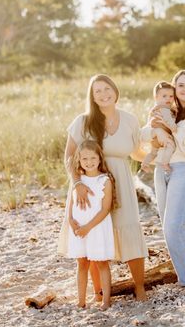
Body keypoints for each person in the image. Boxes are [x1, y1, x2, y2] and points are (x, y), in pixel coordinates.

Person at [58, 74, 149, 301]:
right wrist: (77, 183)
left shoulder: (129, 120)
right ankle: (99, 293)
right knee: (92, 234)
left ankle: (140, 288)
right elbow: (69, 156)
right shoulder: (83, 121)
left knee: (128, 229)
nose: (103, 94)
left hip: (121, 183)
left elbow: (136, 152)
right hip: (87, 186)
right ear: (92, 96)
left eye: (107, 88)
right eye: (97, 91)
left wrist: (155, 156)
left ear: (115, 91)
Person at [141, 70, 185, 294]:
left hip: (184, 168)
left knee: (174, 225)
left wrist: (174, 129)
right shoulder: (166, 108)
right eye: (180, 85)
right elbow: (144, 137)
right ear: (173, 88)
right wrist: (154, 127)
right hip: (161, 171)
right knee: (167, 227)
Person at [67, 140, 116, 309]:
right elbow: (71, 203)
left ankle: (106, 300)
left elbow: (105, 209)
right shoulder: (78, 181)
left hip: (97, 228)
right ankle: (81, 301)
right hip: (79, 228)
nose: (89, 162)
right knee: (82, 264)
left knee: (102, 263)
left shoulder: (105, 180)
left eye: (93, 158)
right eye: (85, 159)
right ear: (79, 161)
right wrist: (70, 221)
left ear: (99, 158)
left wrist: (88, 227)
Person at [141, 81, 177, 173]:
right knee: (171, 146)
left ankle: (144, 164)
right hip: (162, 137)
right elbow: (169, 121)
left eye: (171, 96)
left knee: (153, 153)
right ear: (156, 98)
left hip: (155, 138)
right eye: (164, 96)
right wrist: (175, 128)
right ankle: (165, 163)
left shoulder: (154, 109)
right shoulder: (165, 109)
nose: (168, 99)